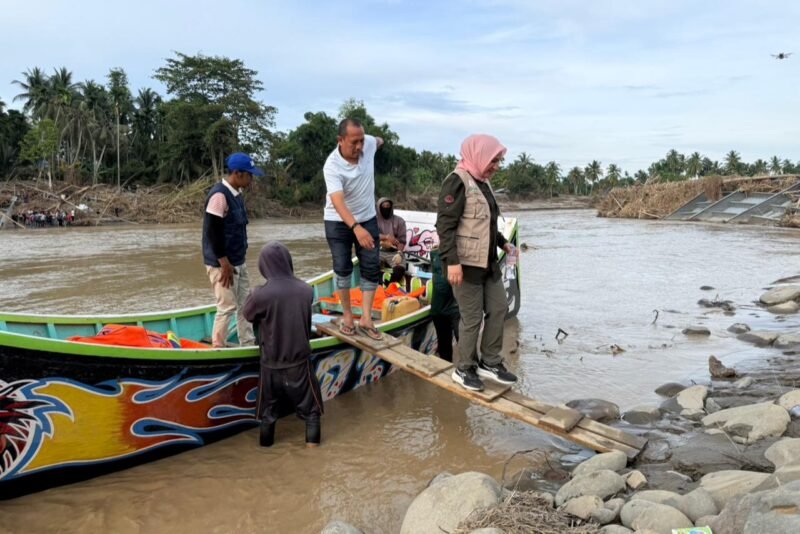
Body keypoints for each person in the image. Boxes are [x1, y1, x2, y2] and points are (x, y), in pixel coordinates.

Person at [435, 134, 518, 392]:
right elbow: (445, 226)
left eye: (499, 161)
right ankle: (465, 368)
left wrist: (503, 242)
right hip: (465, 265)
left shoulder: (483, 182)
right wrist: (452, 263)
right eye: (494, 160)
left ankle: (491, 362)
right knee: (471, 319)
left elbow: (486, 223)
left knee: (499, 307)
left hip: (488, 263)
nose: (496, 166)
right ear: (479, 155)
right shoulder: (457, 182)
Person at [242, 242, 323, 448]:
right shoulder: (306, 290)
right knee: (311, 413)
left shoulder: (260, 294)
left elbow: (248, 315)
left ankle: (266, 454)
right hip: (299, 364)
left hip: (270, 365)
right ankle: (314, 454)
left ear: (264, 265)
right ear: (289, 262)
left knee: (268, 416)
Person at [323, 118, 384, 340]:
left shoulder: (368, 143)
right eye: (354, 142)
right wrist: (356, 227)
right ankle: (347, 316)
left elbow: (378, 140)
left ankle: (366, 318)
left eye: (361, 141)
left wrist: (378, 142)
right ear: (340, 140)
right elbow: (338, 201)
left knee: (371, 266)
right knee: (342, 267)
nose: (360, 147)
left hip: (367, 218)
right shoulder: (332, 166)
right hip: (337, 221)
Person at [201, 152, 260, 348]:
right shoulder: (219, 196)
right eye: (249, 175)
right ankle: (218, 347)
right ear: (237, 173)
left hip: (238, 261)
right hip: (222, 264)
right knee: (227, 307)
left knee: (245, 305)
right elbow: (212, 232)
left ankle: (248, 343)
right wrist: (223, 263)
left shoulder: (237, 195)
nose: (252, 179)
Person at [430, 246, 459, 362]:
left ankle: (468, 370)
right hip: (440, 308)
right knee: (444, 347)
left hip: (454, 306)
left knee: (464, 344)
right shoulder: (435, 253)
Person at [376, 196, 407, 282]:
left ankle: (390, 287)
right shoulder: (374, 220)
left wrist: (399, 253)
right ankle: (378, 287)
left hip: (394, 252)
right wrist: (386, 237)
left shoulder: (399, 221)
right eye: (383, 206)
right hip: (378, 251)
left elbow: (402, 240)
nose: (386, 208)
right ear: (379, 207)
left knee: (399, 270)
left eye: (388, 206)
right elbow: (372, 235)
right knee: (372, 266)